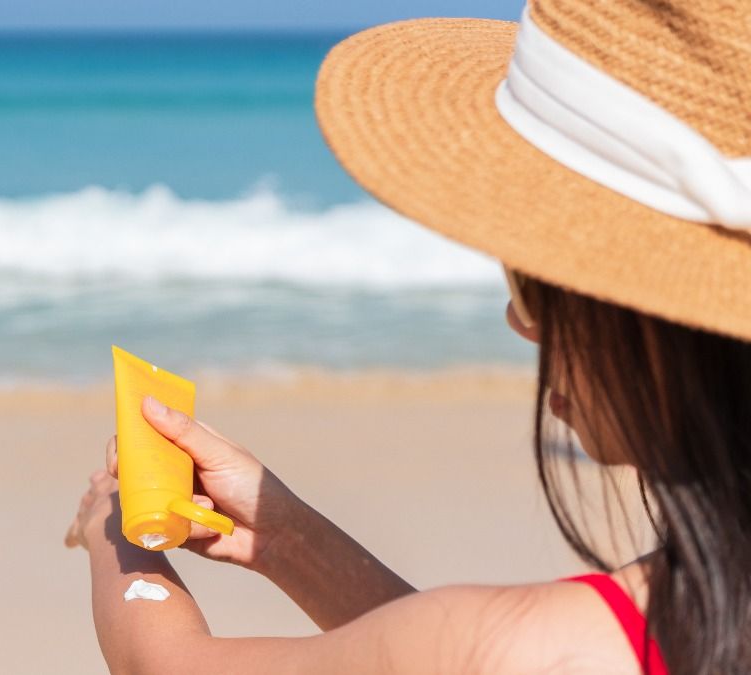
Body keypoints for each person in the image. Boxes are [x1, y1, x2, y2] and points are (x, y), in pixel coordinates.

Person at [65, 0, 751, 671]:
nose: (518, 322)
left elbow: (173, 664)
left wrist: (113, 531)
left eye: (536, 277)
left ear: (658, 322)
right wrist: (285, 536)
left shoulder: (556, 646)